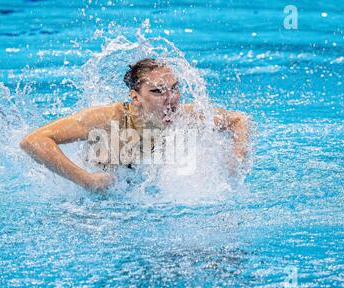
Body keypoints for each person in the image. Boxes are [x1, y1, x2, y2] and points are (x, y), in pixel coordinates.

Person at [20, 58, 250, 192]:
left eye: (175, 88)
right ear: (136, 97)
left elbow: (240, 120)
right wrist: (87, 181)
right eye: (158, 91)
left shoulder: (184, 117)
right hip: (99, 201)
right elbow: (33, 141)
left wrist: (235, 161)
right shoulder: (108, 119)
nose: (171, 99)